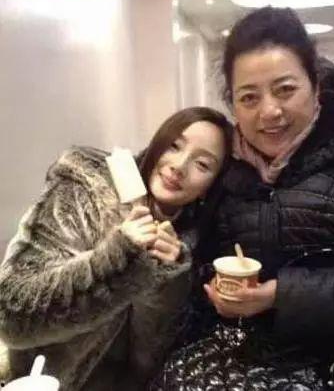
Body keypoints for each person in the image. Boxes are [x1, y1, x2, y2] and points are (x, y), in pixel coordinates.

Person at [153, 7, 334, 390]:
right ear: (233, 105)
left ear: (315, 85)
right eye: (249, 97)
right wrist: (197, 277)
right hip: (251, 361)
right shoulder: (225, 173)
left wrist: (280, 296)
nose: (269, 112)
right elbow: (164, 187)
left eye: (285, 89)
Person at [0, 106, 232, 390]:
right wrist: (119, 259)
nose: (179, 166)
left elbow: (147, 361)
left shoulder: (188, 244)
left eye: (202, 164)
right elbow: (12, 317)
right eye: (174, 146)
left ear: (209, 187)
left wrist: (165, 280)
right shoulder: (85, 190)